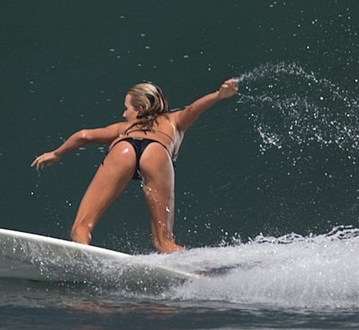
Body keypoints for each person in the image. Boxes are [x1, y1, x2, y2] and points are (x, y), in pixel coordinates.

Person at [31, 78, 239, 253]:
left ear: (139, 109)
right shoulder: (175, 120)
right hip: (157, 152)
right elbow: (194, 108)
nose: (124, 113)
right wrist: (219, 95)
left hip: (124, 148)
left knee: (81, 226)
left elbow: (84, 135)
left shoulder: (124, 127)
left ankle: (84, 257)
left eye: (126, 108)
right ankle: (194, 269)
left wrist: (56, 153)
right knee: (164, 241)